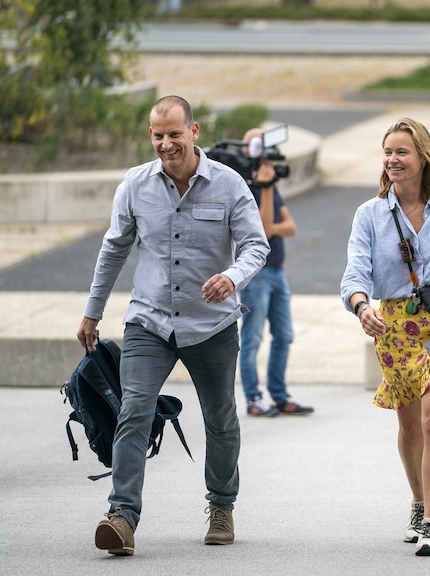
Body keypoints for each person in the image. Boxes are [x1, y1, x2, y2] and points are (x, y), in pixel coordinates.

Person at [76, 95, 269, 556]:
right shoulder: (135, 185)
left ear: (194, 131)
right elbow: (114, 249)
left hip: (213, 326)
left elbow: (256, 246)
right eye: (158, 135)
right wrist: (92, 310)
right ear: (151, 135)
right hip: (150, 322)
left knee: (220, 419)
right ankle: (121, 516)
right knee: (134, 410)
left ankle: (221, 506)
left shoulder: (229, 184)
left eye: (175, 134)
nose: (166, 144)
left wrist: (232, 277)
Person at [339, 117, 430, 557]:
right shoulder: (370, 213)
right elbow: (354, 274)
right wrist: (362, 306)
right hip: (395, 329)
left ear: (423, 157)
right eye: (387, 152)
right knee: (409, 425)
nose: (392, 159)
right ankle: (418, 500)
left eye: (402, 151)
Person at [237, 127, 314, 417]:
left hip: (277, 273)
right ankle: (254, 398)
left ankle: (279, 396)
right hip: (256, 276)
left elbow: (290, 227)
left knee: (284, 335)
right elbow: (265, 231)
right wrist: (265, 189)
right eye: (255, 144)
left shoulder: (269, 186)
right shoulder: (245, 188)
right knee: (253, 339)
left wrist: (269, 194)